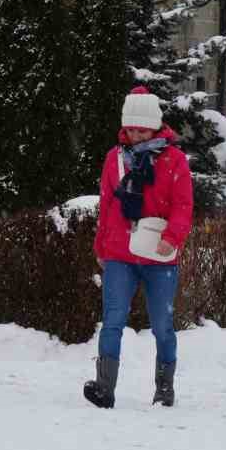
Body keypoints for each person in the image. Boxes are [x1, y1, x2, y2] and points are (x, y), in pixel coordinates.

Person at [82, 86, 193, 410]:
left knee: (162, 325)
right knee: (112, 319)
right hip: (119, 252)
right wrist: (100, 246)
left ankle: (164, 388)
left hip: (159, 255)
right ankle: (104, 388)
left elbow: (183, 205)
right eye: (130, 129)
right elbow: (106, 205)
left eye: (142, 129)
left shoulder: (174, 160)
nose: (136, 135)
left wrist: (172, 237)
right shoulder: (113, 159)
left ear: (156, 126)